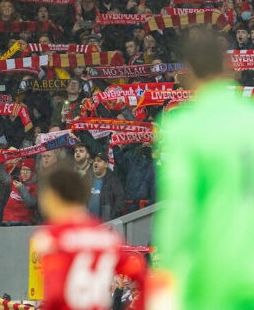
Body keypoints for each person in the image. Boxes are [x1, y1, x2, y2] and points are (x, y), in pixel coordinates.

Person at [155, 30, 254, 309]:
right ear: (228, 65)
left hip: (211, 275)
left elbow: (179, 210)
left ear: (190, 72)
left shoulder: (183, 126)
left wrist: (167, 280)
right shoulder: (250, 117)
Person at [32, 165, 145, 310]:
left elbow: (55, 295)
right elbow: (143, 281)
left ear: (54, 196)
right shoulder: (108, 238)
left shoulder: (53, 238)